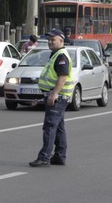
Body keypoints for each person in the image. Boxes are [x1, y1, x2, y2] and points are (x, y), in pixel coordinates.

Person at [29, 29, 76, 168]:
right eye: (49, 40)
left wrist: (54, 94)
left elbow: (62, 77)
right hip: (58, 97)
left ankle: (44, 158)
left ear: (61, 41)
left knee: (49, 127)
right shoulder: (55, 54)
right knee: (59, 128)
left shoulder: (61, 56)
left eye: (53, 40)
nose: (50, 42)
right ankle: (60, 156)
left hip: (58, 98)